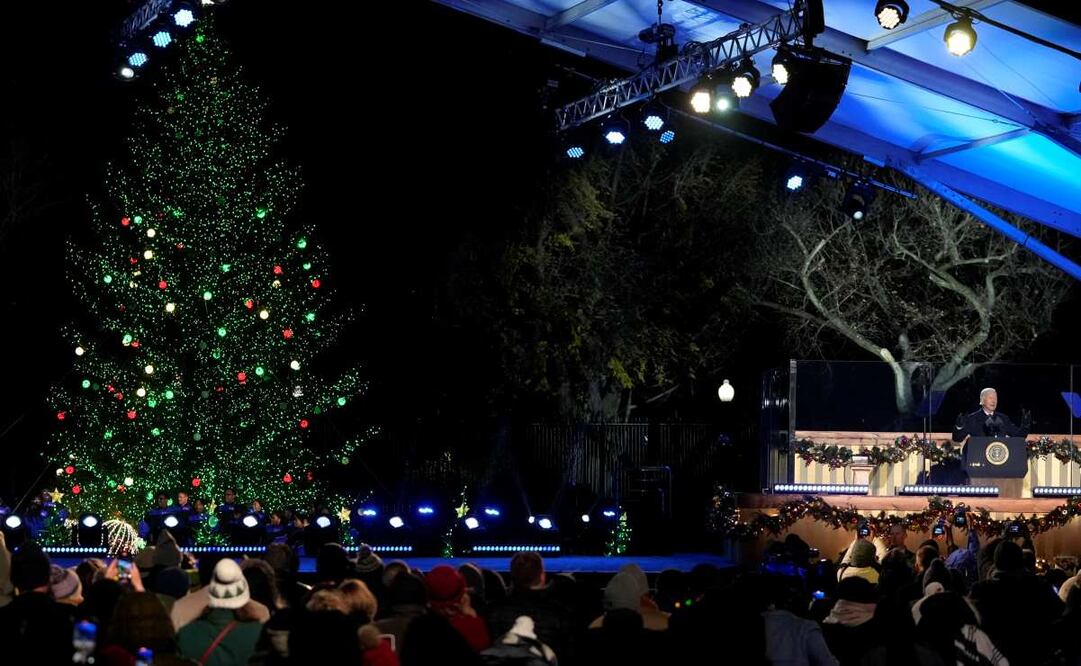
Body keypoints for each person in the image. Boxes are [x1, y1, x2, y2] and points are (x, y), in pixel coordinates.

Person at [952, 387, 1028, 443]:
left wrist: (1025, 426)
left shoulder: (1003, 418)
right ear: (982, 400)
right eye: (990, 398)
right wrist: (959, 427)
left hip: (999, 457)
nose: (994, 401)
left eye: (995, 398)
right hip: (978, 457)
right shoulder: (972, 419)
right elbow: (957, 439)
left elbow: (1019, 436)